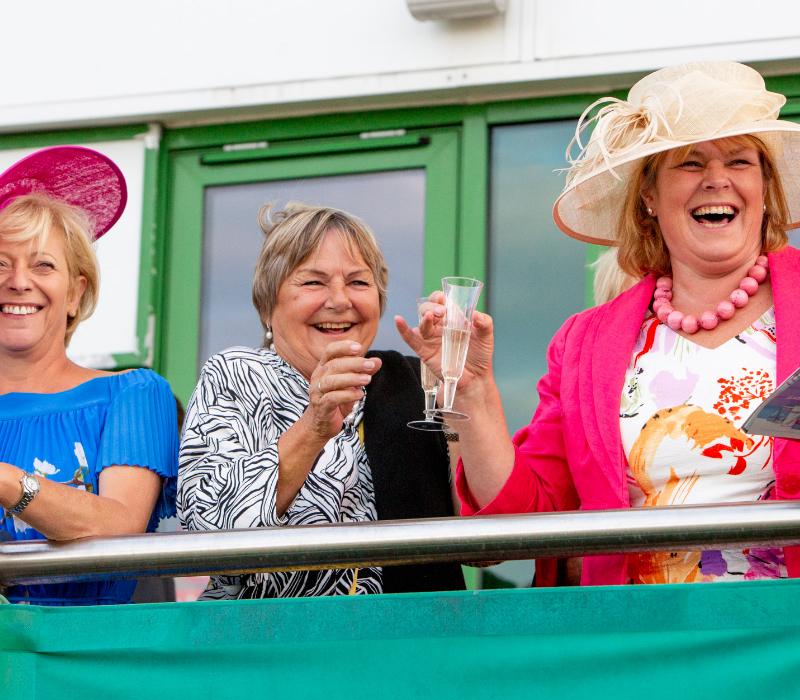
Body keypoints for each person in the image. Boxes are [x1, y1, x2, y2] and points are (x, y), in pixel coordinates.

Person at [397, 61, 800, 586]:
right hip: (640, 643)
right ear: (649, 197)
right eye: (690, 163)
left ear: (765, 188)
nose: (717, 179)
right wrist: (473, 390)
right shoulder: (585, 343)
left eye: (740, 161)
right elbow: (516, 524)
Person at [178, 203, 464, 598]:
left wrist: (468, 388)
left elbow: (481, 532)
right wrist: (314, 426)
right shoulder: (234, 375)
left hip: (408, 645)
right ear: (267, 305)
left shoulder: (412, 382)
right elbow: (204, 530)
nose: (339, 300)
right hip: (269, 647)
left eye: (359, 283)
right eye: (313, 283)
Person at [0, 146, 179, 606]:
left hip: (82, 663)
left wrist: (5, 481)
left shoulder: (132, 394)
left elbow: (117, 526)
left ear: (77, 293)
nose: (19, 281)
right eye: (1, 263)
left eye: (43, 265)